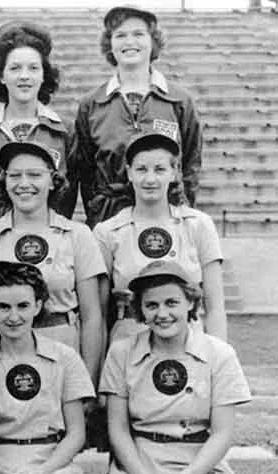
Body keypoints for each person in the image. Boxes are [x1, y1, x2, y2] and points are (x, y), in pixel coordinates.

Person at [99, 260, 258, 474]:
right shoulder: (122, 353)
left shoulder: (219, 354)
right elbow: (118, 430)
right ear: (140, 309)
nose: (162, 314)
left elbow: (222, 433)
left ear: (191, 302)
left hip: (198, 465)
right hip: (138, 464)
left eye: (171, 303)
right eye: (151, 305)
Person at [0, 141, 106, 385]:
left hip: (60, 349)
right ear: (4, 181)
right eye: (15, 175)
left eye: (34, 175)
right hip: (0, 353)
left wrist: (87, 382)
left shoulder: (77, 235)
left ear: (52, 181)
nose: (24, 184)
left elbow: (92, 315)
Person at [0, 261, 95, 474]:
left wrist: (41, 473)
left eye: (23, 306)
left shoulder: (65, 358)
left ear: (38, 306)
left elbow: (76, 434)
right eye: (3, 307)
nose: (14, 317)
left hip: (53, 463)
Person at [71, 5, 202, 228]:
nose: (129, 42)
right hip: (110, 218)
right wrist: (97, 213)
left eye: (138, 34)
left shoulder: (180, 100)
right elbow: (85, 170)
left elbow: (190, 164)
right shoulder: (91, 104)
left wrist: (181, 205)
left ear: (153, 42)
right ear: (109, 44)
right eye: (120, 35)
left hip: (167, 216)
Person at [93, 133, 225, 341]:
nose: (150, 179)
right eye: (141, 169)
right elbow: (97, 314)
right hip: (130, 336)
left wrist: (218, 362)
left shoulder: (198, 225)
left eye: (160, 169)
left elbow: (215, 307)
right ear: (129, 173)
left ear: (174, 173)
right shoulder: (107, 232)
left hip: (189, 337)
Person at [0, 20, 76, 239]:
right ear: (1, 76)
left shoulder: (63, 131)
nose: (24, 76)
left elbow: (69, 195)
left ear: (44, 75)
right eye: (15, 68)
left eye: (33, 68)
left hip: (49, 239)